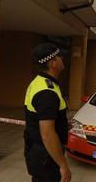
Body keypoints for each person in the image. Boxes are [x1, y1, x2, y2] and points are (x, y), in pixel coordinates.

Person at [23, 43, 71, 182]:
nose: (62, 59)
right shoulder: (47, 92)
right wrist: (63, 165)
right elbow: (47, 134)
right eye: (59, 56)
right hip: (47, 159)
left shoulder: (40, 82)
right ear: (53, 63)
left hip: (41, 155)